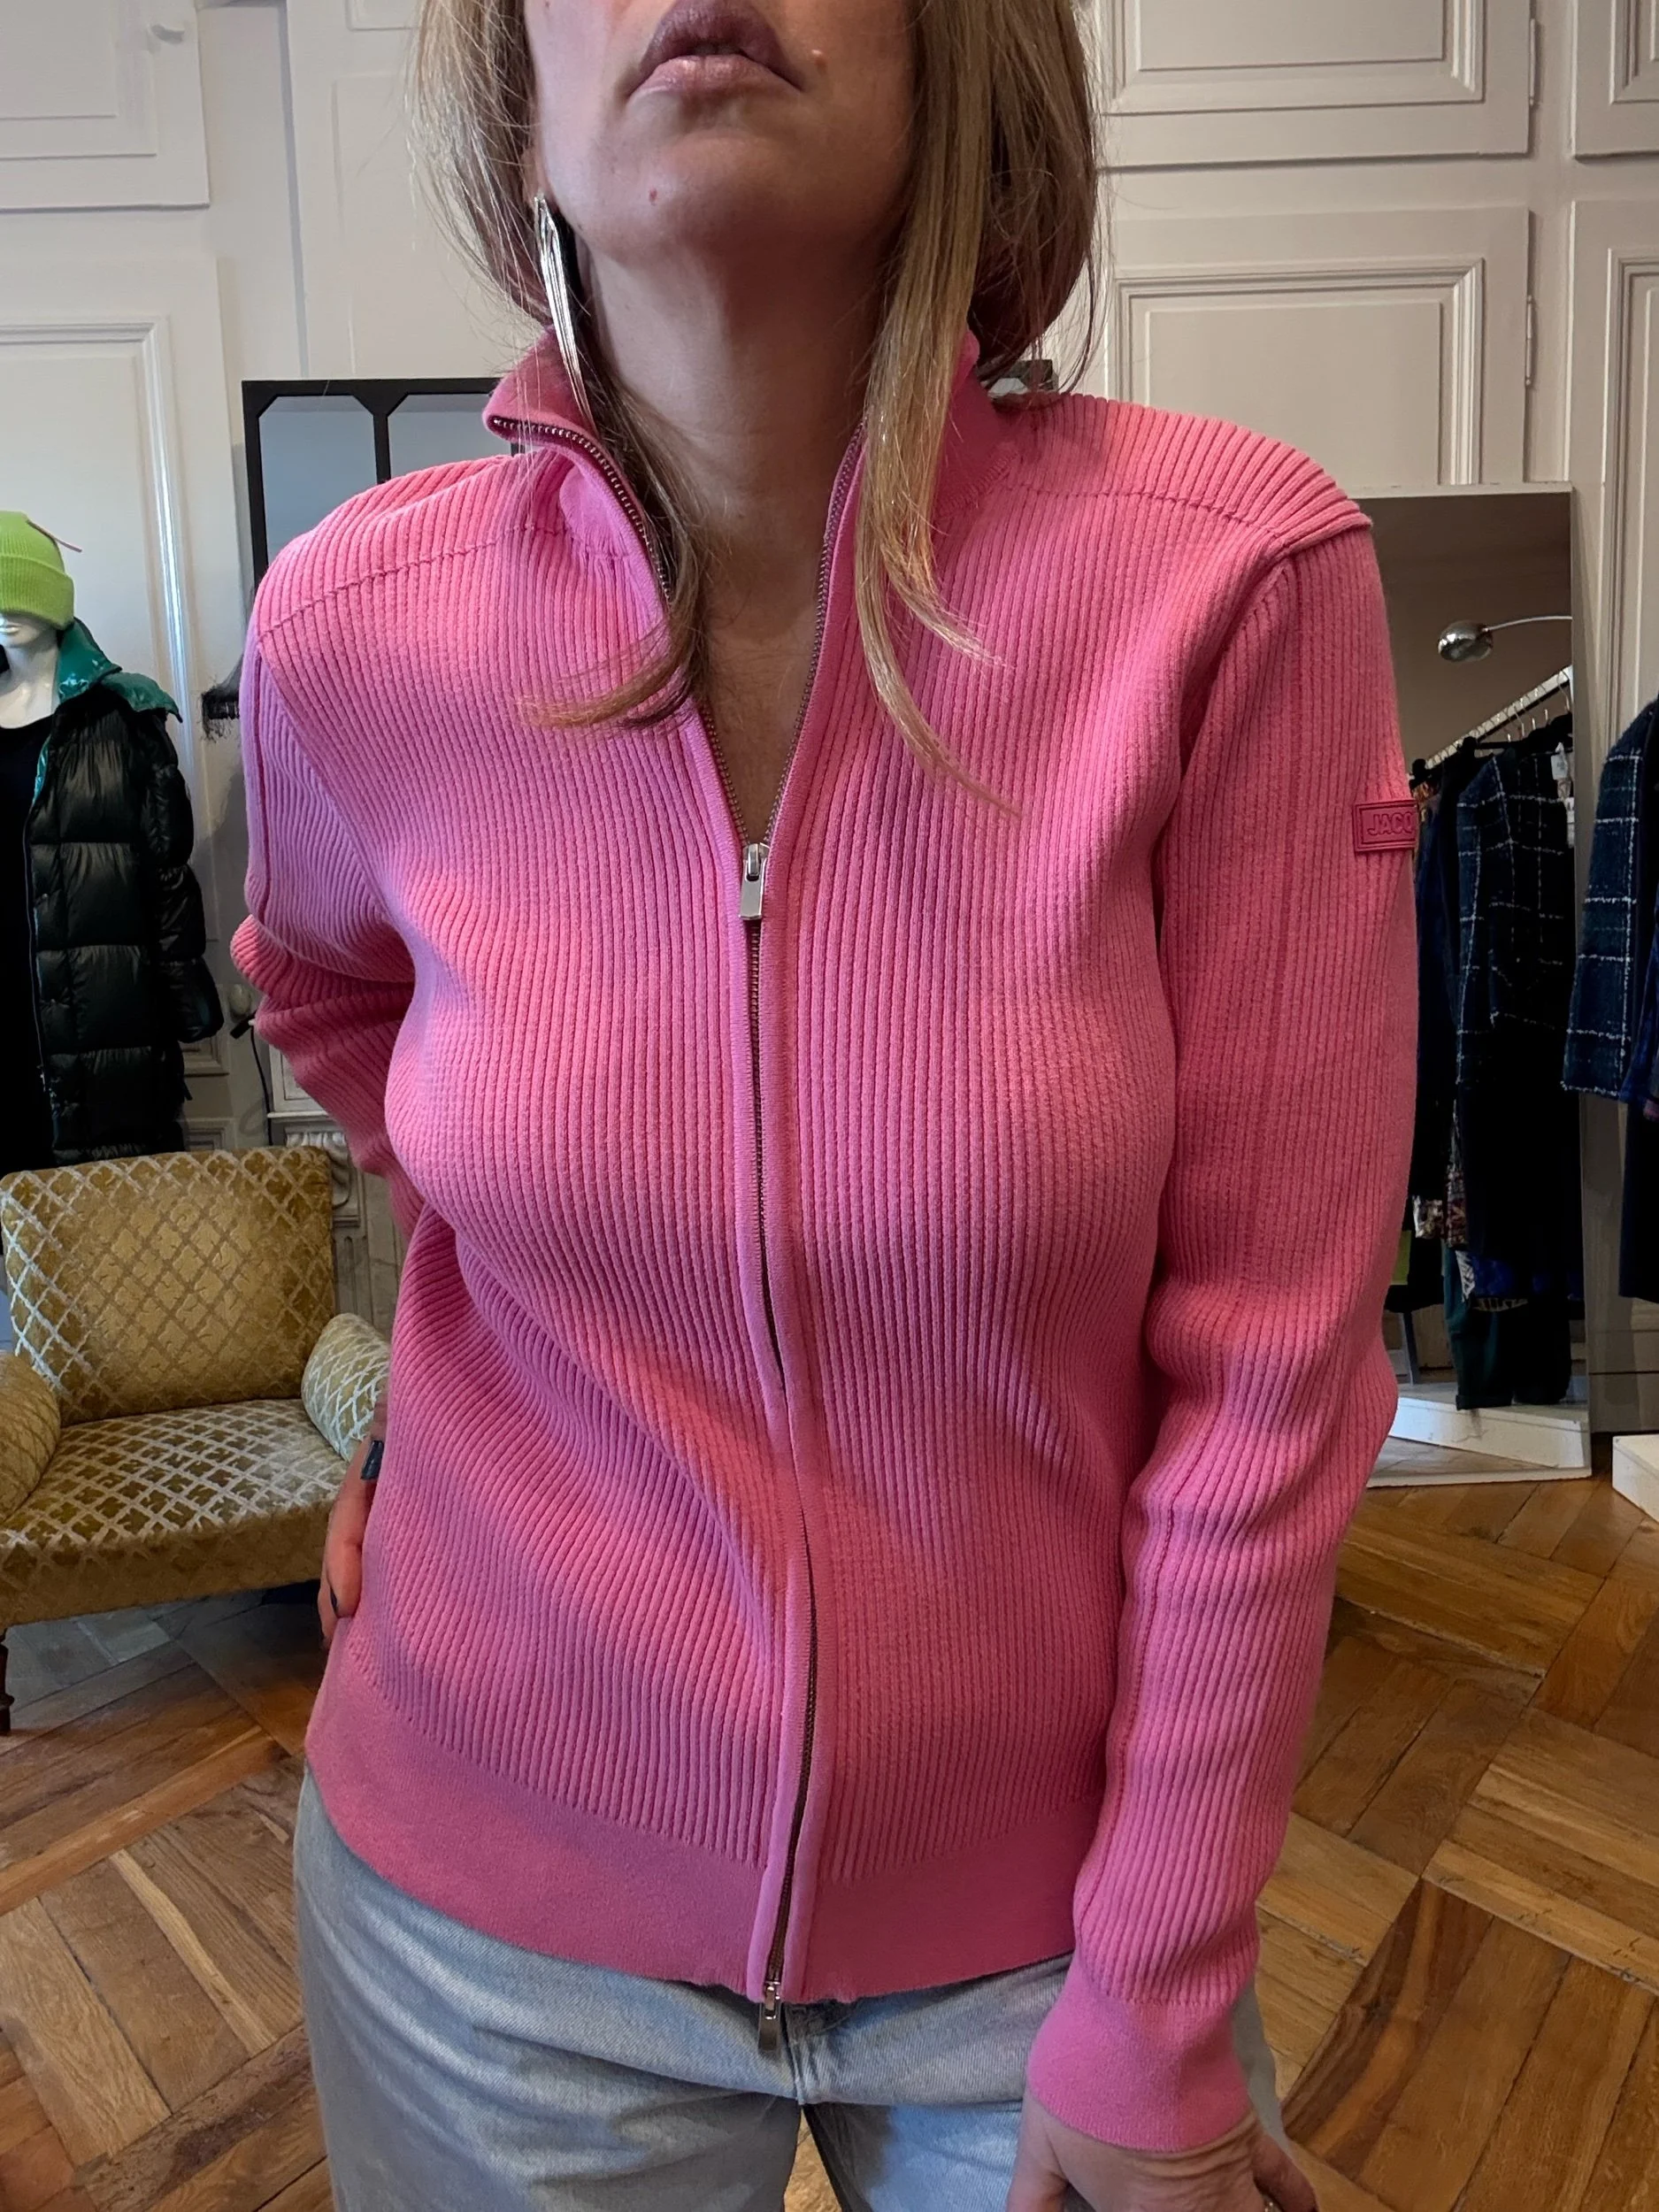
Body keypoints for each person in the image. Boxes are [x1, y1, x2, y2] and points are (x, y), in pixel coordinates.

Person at [229, 1, 1416, 2205]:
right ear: (516, 89)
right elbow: (321, 988)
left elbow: (1276, 1362)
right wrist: (452, 1338)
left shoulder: (1231, 583)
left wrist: (1160, 1990)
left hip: (1057, 1944)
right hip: (481, 1930)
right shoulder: (351, 632)